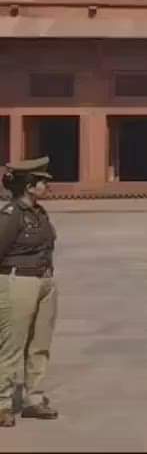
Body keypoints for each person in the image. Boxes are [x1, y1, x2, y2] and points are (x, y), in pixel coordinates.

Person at [0, 157, 59, 427]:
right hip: (18, 281)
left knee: (40, 343)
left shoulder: (39, 212)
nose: (46, 186)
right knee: (12, 344)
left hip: (44, 281)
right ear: (29, 186)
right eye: (41, 182)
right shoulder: (11, 215)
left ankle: (33, 398)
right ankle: (2, 402)